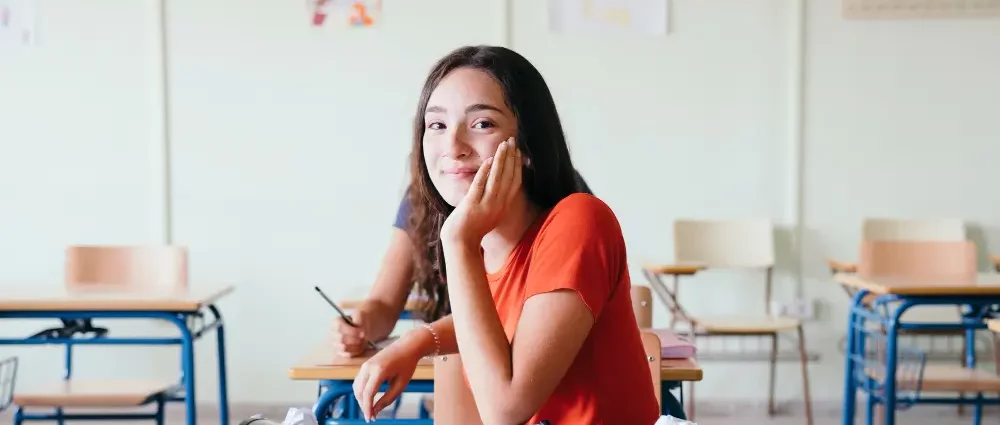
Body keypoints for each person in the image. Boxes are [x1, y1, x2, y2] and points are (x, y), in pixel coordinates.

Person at [346, 45, 661, 425]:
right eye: (437, 125)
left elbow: (504, 410)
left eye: (482, 124)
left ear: (528, 146)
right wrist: (417, 342)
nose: (452, 147)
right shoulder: (488, 244)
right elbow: (508, 315)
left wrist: (457, 241)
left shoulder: (579, 220)